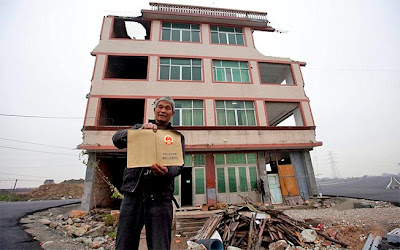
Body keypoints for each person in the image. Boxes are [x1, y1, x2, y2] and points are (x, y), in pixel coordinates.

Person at [112, 96, 185, 250]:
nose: (163, 110)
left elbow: (178, 165)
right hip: (133, 196)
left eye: (167, 108)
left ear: (172, 113)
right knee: (124, 243)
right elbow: (117, 140)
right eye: (160, 107)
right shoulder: (140, 129)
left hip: (161, 199)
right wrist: (136, 132)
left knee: (160, 245)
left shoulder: (176, 137)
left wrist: (166, 171)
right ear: (154, 110)